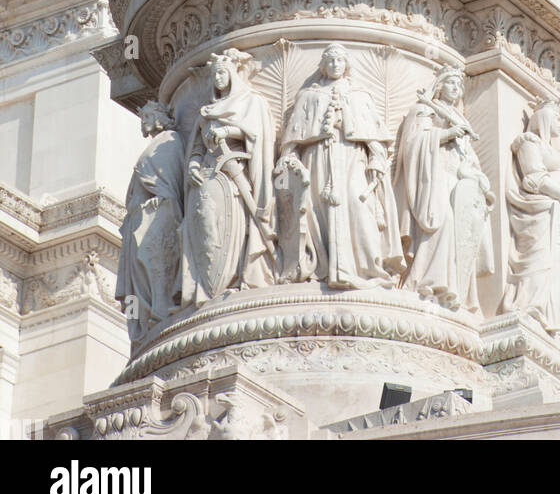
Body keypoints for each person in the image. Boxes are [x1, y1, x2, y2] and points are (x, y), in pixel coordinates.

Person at [275, 45, 404, 289]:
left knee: (358, 205)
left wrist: (377, 157)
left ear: (346, 65)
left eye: (339, 61)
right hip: (316, 159)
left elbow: (373, 136)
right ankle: (321, 267)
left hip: (352, 158)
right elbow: (293, 138)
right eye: (331, 61)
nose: (335, 65)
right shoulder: (308, 96)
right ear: (323, 66)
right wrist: (289, 159)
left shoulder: (359, 95)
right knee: (316, 211)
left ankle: (367, 268)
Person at [394, 65, 494, 311]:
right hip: (434, 177)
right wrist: (447, 133)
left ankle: (453, 289)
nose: (456, 89)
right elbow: (414, 143)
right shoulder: (424, 109)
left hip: (457, 181)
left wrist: (479, 179)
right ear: (439, 85)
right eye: (450, 83)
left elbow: (468, 157)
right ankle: (424, 281)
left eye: (459, 85)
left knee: (462, 230)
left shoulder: (461, 119)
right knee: (443, 221)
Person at [181, 49, 276, 305]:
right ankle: (210, 285)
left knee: (237, 225)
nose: (218, 79)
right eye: (214, 75)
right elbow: (198, 147)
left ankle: (239, 273)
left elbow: (255, 133)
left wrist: (228, 131)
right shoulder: (207, 111)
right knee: (210, 228)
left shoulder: (250, 101)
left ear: (233, 75)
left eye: (222, 73)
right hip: (209, 177)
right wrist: (192, 165)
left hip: (235, 175)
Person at [501, 98, 560, 337]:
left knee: (559, 265)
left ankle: (552, 316)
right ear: (544, 119)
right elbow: (533, 179)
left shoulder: (558, 153)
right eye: (556, 118)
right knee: (541, 260)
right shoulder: (530, 143)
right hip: (540, 210)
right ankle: (531, 307)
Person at [116, 99, 184, 343]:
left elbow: (171, 182)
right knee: (138, 276)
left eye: (147, 116)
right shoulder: (159, 143)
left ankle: (160, 311)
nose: (143, 122)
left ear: (158, 117)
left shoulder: (170, 141)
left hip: (156, 217)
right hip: (138, 220)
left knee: (153, 264)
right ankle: (145, 326)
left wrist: (163, 199)